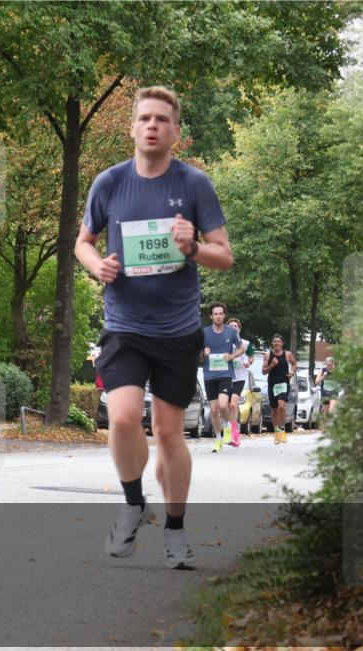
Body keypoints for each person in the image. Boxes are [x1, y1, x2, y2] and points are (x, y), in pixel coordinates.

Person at [75, 86, 233, 569]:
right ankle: (132, 502)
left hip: (178, 330)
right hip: (124, 326)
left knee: (168, 433)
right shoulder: (109, 182)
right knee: (122, 417)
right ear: (132, 127)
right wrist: (95, 265)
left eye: (162, 120)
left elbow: (224, 256)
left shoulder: (195, 184)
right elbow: (83, 241)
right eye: (144, 118)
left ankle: (176, 530)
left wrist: (192, 249)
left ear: (175, 131)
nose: (152, 126)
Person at [202, 303, 244, 452]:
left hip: (225, 374)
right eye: (215, 314)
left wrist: (231, 356)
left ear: (224, 315)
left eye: (221, 314)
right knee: (213, 410)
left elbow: (242, 348)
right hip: (209, 376)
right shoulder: (204, 333)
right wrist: (203, 353)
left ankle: (227, 426)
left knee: (222, 405)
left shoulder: (231, 332)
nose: (218, 316)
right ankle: (218, 438)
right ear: (211, 316)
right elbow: (195, 353)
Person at [261, 334, 297, 444]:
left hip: (283, 383)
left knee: (281, 405)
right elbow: (264, 371)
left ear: (282, 343)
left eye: (278, 341)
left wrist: (292, 372)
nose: (276, 343)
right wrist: (271, 365)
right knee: (274, 409)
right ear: (272, 343)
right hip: (272, 384)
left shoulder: (287, 354)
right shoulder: (268, 355)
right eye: (274, 341)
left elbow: (294, 364)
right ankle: (276, 432)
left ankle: (282, 430)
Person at [227, 318, 255, 446]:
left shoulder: (246, 343)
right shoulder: (223, 342)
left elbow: (252, 356)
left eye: (235, 326)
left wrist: (248, 362)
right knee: (226, 406)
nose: (233, 327)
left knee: (232, 404)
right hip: (225, 376)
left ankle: (234, 433)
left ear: (239, 328)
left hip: (239, 377)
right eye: (231, 325)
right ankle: (227, 429)